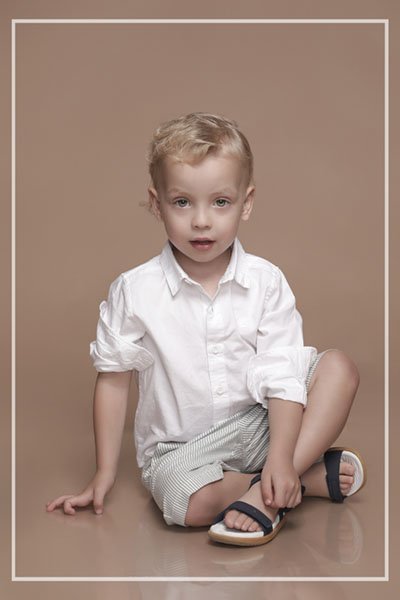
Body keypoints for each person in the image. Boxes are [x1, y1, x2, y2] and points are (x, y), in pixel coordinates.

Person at [46, 112, 366, 546]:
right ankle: (297, 481)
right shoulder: (134, 291)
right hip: (182, 451)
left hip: (261, 424)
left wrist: (279, 454)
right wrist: (103, 474)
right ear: (157, 203)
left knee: (339, 369)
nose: (201, 221)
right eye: (182, 202)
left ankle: (277, 478)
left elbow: (282, 375)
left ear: (246, 203)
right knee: (187, 505)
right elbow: (114, 380)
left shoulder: (266, 281)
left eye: (220, 202)